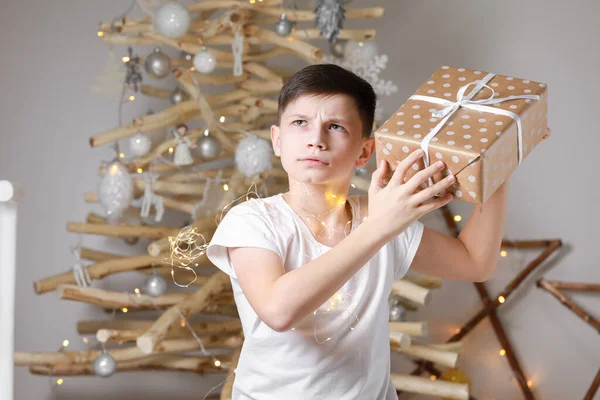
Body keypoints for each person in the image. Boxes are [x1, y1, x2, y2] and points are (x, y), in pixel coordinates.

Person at [206, 63, 550, 399]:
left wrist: (498, 165)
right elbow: (278, 311)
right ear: (277, 141)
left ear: (365, 151)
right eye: (300, 123)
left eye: (336, 127)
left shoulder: (384, 214)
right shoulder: (251, 219)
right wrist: (380, 227)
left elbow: (475, 263)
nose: (316, 140)